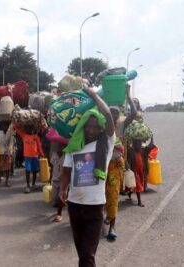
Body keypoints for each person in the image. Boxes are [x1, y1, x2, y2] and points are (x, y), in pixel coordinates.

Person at [59, 86, 115, 267]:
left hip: (95, 206)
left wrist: (92, 94)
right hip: (75, 205)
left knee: (87, 254)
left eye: (95, 127)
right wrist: (62, 189)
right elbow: (66, 171)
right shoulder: (74, 147)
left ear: (100, 129)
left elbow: (107, 115)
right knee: (83, 253)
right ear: (82, 126)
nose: (91, 130)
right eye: (88, 126)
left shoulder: (105, 145)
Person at [105, 85, 137, 240]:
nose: (113, 115)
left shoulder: (121, 126)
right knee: (101, 195)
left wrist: (127, 94)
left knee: (113, 194)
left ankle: (112, 226)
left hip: (115, 165)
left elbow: (134, 113)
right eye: (110, 112)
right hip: (100, 165)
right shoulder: (100, 126)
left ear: (119, 116)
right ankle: (107, 215)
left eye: (116, 113)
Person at [14, 125, 44, 193]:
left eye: (31, 129)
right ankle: (28, 186)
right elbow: (17, 130)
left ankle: (33, 184)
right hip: (27, 157)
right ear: (25, 130)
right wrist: (14, 124)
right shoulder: (24, 135)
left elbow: (39, 146)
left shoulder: (35, 137)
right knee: (27, 170)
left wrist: (41, 154)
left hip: (35, 156)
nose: (29, 130)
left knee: (35, 171)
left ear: (33, 130)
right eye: (28, 129)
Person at [127, 137, 155, 207]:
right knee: (138, 186)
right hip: (134, 172)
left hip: (141, 172)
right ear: (134, 144)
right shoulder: (130, 151)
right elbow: (128, 160)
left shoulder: (143, 151)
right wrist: (129, 169)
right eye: (137, 144)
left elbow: (151, 145)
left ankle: (129, 193)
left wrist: (152, 138)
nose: (138, 145)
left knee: (135, 185)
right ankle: (139, 201)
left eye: (139, 144)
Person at [0, 121, 14, 187]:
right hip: (1, 151)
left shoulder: (10, 133)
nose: (5, 127)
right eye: (4, 125)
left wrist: (11, 152)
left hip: (7, 152)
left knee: (7, 168)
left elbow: (11, 143)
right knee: (0, 166)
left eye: (6, 125)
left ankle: (6, 182)